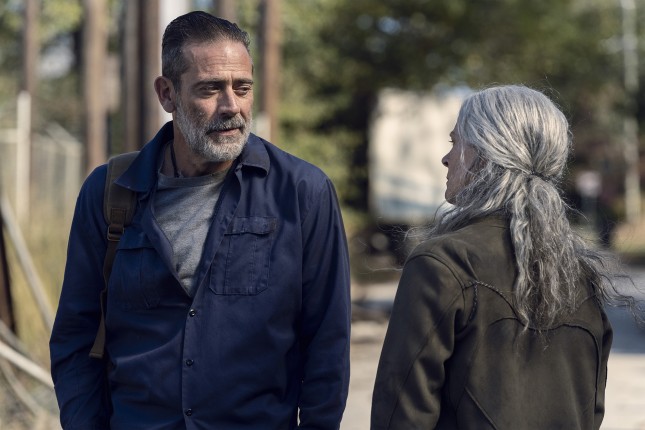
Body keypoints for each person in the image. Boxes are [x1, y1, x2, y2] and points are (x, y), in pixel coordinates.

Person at [50, 11, 351, 429]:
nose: (231, 106)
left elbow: (328, 345)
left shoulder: (302, 192)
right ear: (167, 94)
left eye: (242, 88)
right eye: (210, 89)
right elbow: (76, 336)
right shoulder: (109, 192)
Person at [371, 85, 617, 429]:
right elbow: (591, 411)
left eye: (455, 142)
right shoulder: (579, 272)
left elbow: (402, 412)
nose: (446, 158)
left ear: (486, 155)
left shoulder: (442, 263)